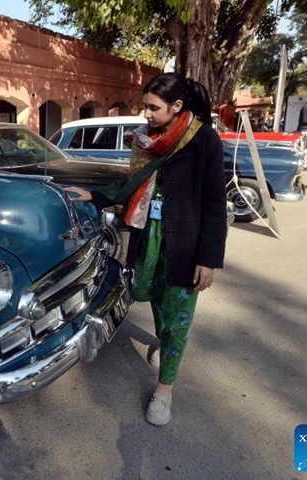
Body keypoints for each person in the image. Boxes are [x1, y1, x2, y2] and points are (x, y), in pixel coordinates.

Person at [65, 72, 227, 426]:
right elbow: (132, 184)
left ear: (176, 106)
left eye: (153, 107)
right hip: (148, 238)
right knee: (154, 299)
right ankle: (163, 343)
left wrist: (208, 259)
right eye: (145, 106)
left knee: (178, 317)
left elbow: (215, 203)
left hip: (185, 245)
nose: (146, 113)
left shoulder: (204, 140)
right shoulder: (147, 139)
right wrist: (94, 195)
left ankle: (164, 390)